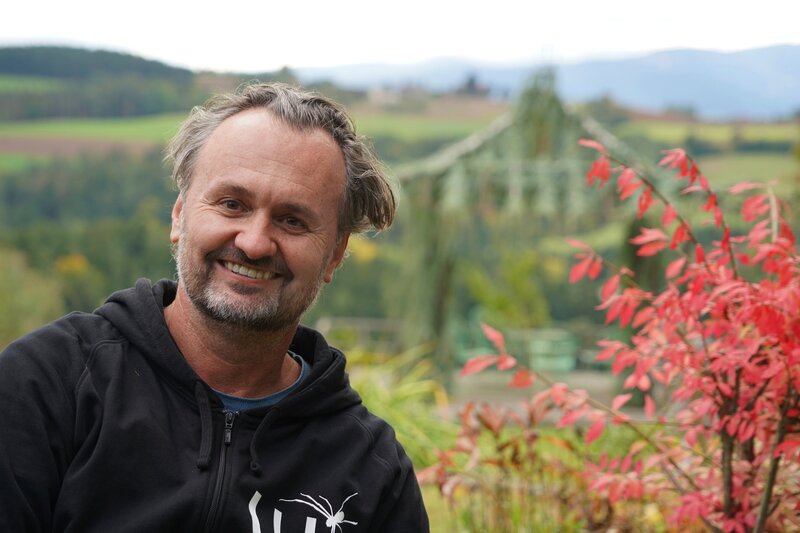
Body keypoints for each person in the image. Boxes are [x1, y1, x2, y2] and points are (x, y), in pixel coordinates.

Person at [0, 83, 429, 532]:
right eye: (232, 204)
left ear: (335, 254)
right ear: (179, 215)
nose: (255, 243)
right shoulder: (48, 385)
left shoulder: (372, 473)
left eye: (292, 220)